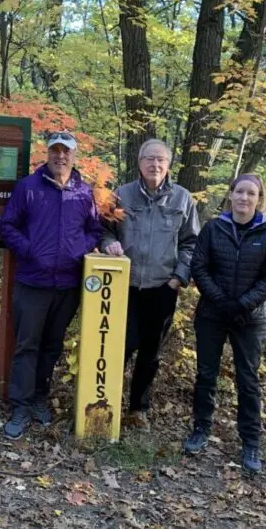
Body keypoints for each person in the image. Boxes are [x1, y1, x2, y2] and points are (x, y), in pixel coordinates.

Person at [0, 131, 104, 440]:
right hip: (33, 282)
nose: (60, 156)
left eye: (66, 151)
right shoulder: (28, 188)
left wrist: (77, 250)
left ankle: (39, 400)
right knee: (27, 346)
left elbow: (95, 229)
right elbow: (7, 226)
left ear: (74, 155)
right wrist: (30, 251)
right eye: (55, 151)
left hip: (68, 285)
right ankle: (19, 408)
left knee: (52, 346)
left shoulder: (84, 193)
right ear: (47, 154)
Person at [182, 173, 266, 473]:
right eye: (239, 192)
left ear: (259, 199)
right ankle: (201, 428)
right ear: (230, 195)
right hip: (212, 314)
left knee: (248, 379)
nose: (244, 198)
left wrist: (242, 304)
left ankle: (250, 442)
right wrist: (222, 302)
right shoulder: (214, 228)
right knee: (206, 374)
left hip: (251, 319)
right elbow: (199, 267)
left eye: (251, 193)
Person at [101, 139, 200, 429]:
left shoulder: (183, 199)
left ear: (168, 164)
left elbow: (192, 243)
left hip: (162, 288)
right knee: (121, 346)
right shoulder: (121, 195)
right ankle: (108, 404)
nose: (154, 165)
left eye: (160, 160)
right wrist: (109, 245)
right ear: (140, 162)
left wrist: (178, 278)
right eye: (149, 159)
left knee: (151, 352)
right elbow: (103, 231)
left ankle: (138, 409)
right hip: (124, 287)